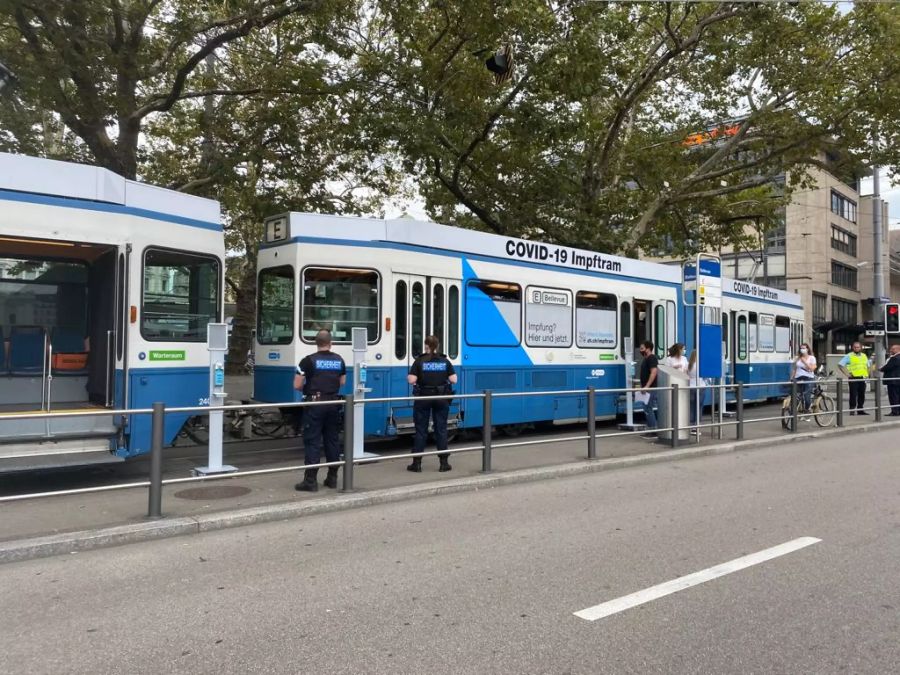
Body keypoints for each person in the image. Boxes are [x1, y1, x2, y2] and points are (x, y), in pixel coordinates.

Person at [294, 330, 346, 491]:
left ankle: (310, 481)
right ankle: (332, 478)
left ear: (316, 343)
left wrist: (309, 387)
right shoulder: (339, 360)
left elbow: (296, 385)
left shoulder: (307, 361)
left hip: (315, 404)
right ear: (330, 343)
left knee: (313, 441)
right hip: (333, 403)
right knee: (332, 441)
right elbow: (342, 382)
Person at [407, 335, 458, 472]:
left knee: (421, 431)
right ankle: (444, 463)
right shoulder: (444, 361)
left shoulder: (420, 361)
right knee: (441, 429)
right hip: (441, 398)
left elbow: (411, 380)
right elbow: (454, 380)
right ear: (438, 346)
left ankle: (416, 464)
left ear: (426, 346)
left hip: (423, 398)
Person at [839, 342, 873, 415]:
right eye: (855, 347)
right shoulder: (849, 356)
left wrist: (868, 374)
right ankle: (852, 409)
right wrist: (847, 374)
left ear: (860, 348)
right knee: (853, 394)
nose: (856, 348)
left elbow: (868, 365)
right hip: (853, 378)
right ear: (852, 348)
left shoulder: (864, 355)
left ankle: (860, 410)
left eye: (858, 347)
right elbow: (840, 365)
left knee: (862, 394)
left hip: (862, 377)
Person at [638, 340, 659, 439]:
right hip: (647, 388)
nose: (641, 350)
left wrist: (647, 386)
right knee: (647, 408)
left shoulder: (652, 358)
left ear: (648, 348)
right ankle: (652, 429)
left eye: (642, 348)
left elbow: (654, 372)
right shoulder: (646, 358)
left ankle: (653, 430)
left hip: (650, 388)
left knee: (648, 408)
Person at [790, 342, 817, 413]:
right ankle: (794, 410)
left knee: (806, 396)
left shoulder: (812, 358)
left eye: (803, 348)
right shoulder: (797, 358)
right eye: (801, 348)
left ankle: (807, 409)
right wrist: (792, 378)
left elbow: (812, 369)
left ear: (807, 349)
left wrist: (805, 362)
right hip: (798, 377)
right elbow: (794, 369)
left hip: (808, 377)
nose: (802, 350)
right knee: (794, 394)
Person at [687, 349, 706, 436]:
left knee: (691, 407)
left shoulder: (689, 365)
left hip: (691, 387)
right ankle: (696, 427)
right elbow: (705, 376)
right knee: (699, 407)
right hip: (700, 387)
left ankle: (690, 427)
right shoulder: (701, 365)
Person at [879, 344, 900, 416]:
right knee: (898, 396)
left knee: (893, 396)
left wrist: (881, 369)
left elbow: (888, 367)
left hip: (893, 381)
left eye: (893, 349)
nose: (891, 350)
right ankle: (898, 411)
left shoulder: (895, 358)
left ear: (898, 349)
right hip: (898, 380)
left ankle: (894, 411)